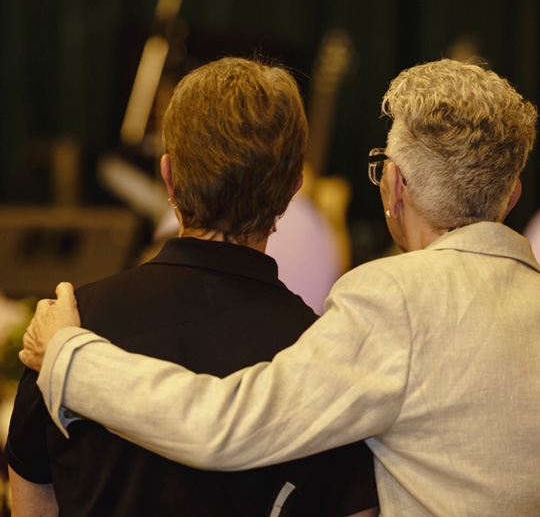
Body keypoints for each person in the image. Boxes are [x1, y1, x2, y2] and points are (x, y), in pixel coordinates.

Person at [18, 58, 540, 515]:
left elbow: (223, 428)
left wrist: (68, 355)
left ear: (394, 185)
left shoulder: (393, 298)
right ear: (512, 196)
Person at [5, 57, 378, 517]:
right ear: (293, 190)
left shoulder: (64, 327)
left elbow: (31, 501)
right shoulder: (323, 354)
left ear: (168, 177)